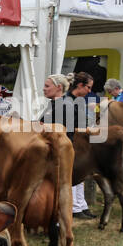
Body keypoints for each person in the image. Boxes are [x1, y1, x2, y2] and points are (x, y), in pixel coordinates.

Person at [41, 73, 96, 219]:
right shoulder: (61, 104)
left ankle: (60, 217)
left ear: (59, 87)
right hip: (63, 149)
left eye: (47, 86)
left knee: (61, 184)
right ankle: (74, 209)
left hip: (58, 151)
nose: (44, 89)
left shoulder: (62, 106)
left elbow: (52, 130)